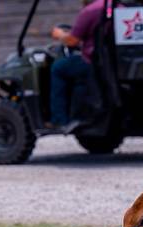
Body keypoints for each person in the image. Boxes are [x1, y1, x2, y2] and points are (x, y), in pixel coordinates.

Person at [48, 0, 105, 130]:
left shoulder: (91, 11)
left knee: (58, 68)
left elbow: (72, 40)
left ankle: (59, 120)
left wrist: (59, 34)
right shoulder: (116, 7)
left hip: (92, 61)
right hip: (107, 61)